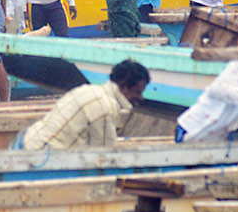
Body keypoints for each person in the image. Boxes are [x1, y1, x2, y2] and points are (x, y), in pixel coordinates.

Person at [17, 60, 150, 150]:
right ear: (124, 85)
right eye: (138, 92)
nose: (140, 97)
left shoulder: (91, 90)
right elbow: (105, 155)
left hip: (26, 142)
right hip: (37, 158)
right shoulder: (105, 106)